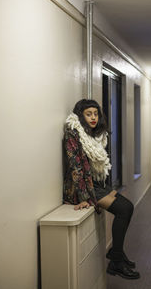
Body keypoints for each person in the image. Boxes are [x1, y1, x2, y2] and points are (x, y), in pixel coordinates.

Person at [63, 99, 140, 280]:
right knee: (124, 208)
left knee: (127, 208)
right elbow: (76, 168)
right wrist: (83, 197)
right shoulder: (73, 134)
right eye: (88, 114)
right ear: (80, 115)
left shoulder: (94, 135)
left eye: (95, 114)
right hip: (82, 187)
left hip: (97, 184)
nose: (93, 117)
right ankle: (116, 261)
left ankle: (116, 253)